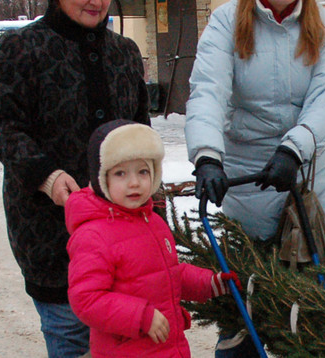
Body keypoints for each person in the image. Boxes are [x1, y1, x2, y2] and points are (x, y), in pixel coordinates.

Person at [0, 0, 151, 357]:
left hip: (122, 227)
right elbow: (3, 124)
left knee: (125, 336)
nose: (96, 0)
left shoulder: (125, 53)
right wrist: (48, 176)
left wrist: (151, 190)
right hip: (49, 229)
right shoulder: (22, 48)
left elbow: (139, 130)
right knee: (72, 337)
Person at [184, 0, 325, 357]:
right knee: (242, 319)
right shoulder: (224, 24)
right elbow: (208, 92)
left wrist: (295, 149)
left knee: (310, 318)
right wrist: (207, 157)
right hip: (246, 190)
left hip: (309, 193)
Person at [65, 119, 240, 357]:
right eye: (120, 173)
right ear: (101, 178)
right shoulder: (93, 235)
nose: (134, 182)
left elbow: (167, 275)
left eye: (143, 171)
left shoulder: (153, 221)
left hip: (167, 348)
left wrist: (209, 282)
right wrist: (141, 316)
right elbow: (86, 299)